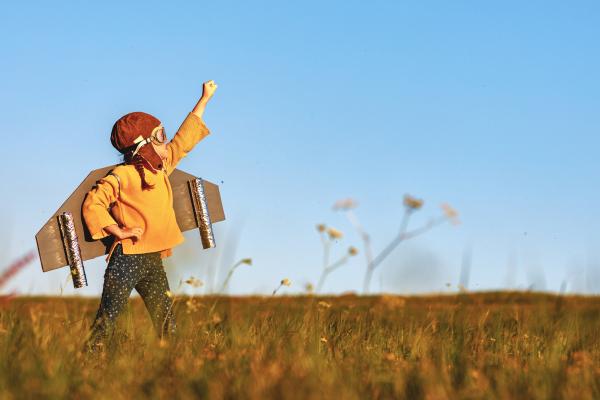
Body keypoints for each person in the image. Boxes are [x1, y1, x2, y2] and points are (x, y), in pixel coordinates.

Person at [81, 80, 218, 354]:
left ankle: (172, 365)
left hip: (154, 260)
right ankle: (88, 363)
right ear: (142, 144)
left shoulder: (161, 170)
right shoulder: (123, 175)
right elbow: (93, 203)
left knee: (167, 322)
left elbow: (184, 141)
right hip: (126, 260)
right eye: (159, 136)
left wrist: (204, 100)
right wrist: (116, 231)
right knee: (108, 319)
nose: (166, 142)